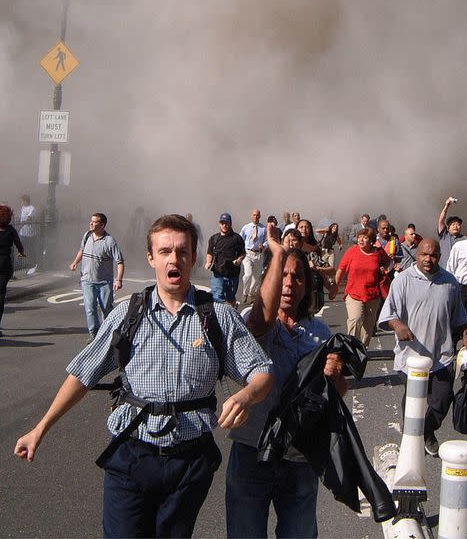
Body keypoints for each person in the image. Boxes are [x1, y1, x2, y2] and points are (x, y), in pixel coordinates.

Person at [15, 214, 274, 538]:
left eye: (182, 251)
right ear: (152, 258)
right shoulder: (127, 315)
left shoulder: (218, 316)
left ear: (194, 258)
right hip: (131, 454)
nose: (173, 258)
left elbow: (262, 372)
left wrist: (245, 396)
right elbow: (83, 374)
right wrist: (40, 429)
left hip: (190, 461)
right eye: (165, 251)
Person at [225, 227, 346, 538]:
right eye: (284, 275)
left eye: (298, 277)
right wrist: (277, 254)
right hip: (252, 451)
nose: (290, 283)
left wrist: (334, 374)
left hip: (299, 456)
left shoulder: (320, 332)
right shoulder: (256, 321)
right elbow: (261, 320)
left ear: (307, 287)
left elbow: (339, 391)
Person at [378, 238, 467, 456]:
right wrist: (398, 325)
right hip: (412, 356)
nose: (429, 259)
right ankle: (412, 436)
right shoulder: (403, 280)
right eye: (424, 255)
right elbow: (389, 313)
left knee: (442, 399)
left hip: (442, 355)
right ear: (417, 255)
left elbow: (459, 317)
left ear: (439, 256)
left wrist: (466, 336)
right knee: (414, 399)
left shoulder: (449, 282)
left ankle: (425, 431)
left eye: (434, 255)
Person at [69, 213, 125, 341]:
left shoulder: (109, 241)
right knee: (90, 308)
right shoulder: (87, 235)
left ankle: (108, 334)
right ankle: (95, 336)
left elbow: (120, 262)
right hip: (87, 280)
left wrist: (119, 280)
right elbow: (81, 251)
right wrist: (75, 262)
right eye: (91, 221)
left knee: (106, 309)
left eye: (94, 222)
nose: (91, 224)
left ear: (102, 225)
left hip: (104, 282)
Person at [335, 227, 390, 348]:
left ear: (371, 240)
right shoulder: (352, 251)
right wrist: (335, 287)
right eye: (359, 237)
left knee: (368, 327)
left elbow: (387, 261)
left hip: (372, 295)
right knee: (355, 319)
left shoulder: (378, 252)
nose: (361, 240)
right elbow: (341, 270)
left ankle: (362, 349)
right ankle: (350, 348)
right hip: (354, 293)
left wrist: (383, 268)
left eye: (365, 238)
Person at [205, 213, 246, 307]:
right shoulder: (214, 238)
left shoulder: (237, 238)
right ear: (219, 224)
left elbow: (243, 253)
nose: (224, 225)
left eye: (226, 223)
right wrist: (208, 262)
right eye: (222, 223)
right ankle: (219, 318)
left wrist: (238, 260)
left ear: (230, 224)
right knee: (217, 297)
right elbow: (210, 252)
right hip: (218, 273)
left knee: (230, 298)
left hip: (232, 274)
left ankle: (233, 305)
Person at [0, 205, 25, 335]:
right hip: (5, 264)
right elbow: (18, 243)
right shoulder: (10, 230)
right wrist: (21, 252)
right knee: (1, 294)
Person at [239, 208, 267, 304]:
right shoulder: (246, 227)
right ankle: (245, 293)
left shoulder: (263, 229)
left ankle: (251, 293)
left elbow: (267, 240)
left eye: (257, 215)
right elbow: (240, 239)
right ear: (252, 216)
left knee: (256, 277)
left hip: (258, 254)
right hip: (248, 253)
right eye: (254, 215)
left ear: (260, 216)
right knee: (248, 274)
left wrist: (264, 245)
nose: (255, 217)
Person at [436, 197, 465, 267]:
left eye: (458, 224)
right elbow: (441, 221)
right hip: (442, 270)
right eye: (453, 224)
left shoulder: (465, 239)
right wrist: (446, 206)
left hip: (458, 272)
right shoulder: (444, 235)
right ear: (448, 228)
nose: (455, 226)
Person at [18, 194, 38, 269]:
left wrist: (20, 226)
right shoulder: (23, 207)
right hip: (22, 233)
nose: (21, 202)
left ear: (25, 201)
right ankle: (21, 264)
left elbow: (28, 219)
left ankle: (32, 264)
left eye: (22, 201)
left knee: (31, 249)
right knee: (20, 248)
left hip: (29, 233)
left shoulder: (32, 208)